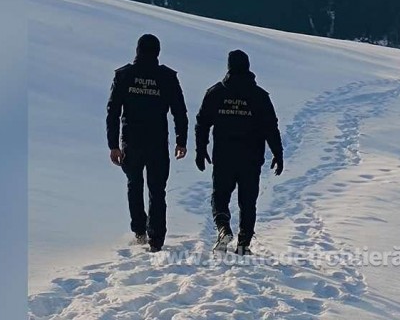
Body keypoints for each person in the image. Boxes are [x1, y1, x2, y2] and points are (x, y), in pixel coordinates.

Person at [194, 49, 284, 255]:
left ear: (229, 67)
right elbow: (271, 126)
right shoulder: (260, 96)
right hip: (251, 158)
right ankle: (243, 245)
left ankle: (223, 228)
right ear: (248, 67)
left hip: (224, 156)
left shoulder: (215, 93)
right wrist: (278, 153)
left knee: (220, 196)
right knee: (248, 201)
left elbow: (202, 123)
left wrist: (201, 149)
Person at [106, 34, 188, 251]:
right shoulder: (167, 77)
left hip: (131, 140)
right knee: (157, 189)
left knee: (134, 185)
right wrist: (181, 140)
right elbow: (179, 111)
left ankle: (140, 232)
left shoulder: (124, 75)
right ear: (158, 52)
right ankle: (156, 239)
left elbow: (113, 111)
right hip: (157, 141)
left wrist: (113, 144)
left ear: (137, 50)